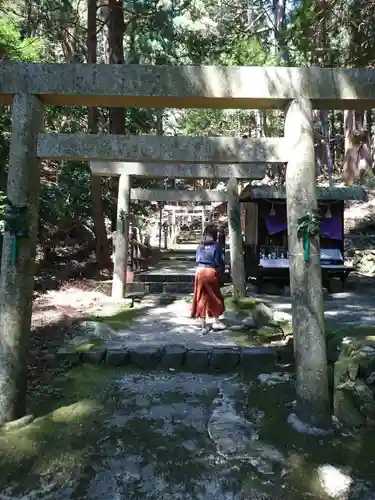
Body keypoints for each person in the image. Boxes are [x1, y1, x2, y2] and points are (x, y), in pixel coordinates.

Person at [191, 224, 226, 334]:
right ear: (215, 235)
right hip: (210, 271)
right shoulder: (216, 246)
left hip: (199, 271)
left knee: (201, 297)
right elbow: (217, 262)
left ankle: (203, 326)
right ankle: (216, 321)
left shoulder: (200, 245)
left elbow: (197, 259)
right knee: (215, 296)